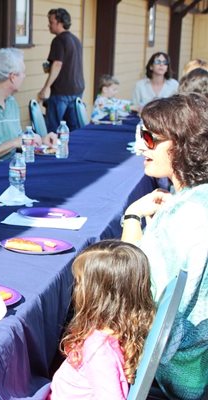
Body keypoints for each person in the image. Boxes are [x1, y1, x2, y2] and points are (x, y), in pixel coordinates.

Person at [122, 93, 208, 399]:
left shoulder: (185, 216)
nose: (141, 145)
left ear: (184, 144)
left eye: (150, 137)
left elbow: (131, 289)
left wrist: (132, 217)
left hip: (176, 372)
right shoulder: (196, 200)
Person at [50, 240, 155, 399]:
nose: (76, 288)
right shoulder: (125, 329)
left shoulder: (98, 350)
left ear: (97, 295)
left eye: (80, 282)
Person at [38, 8, 85, 132]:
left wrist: (46, 87)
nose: (49, 24)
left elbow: (58, 64)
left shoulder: (58, 40)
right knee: (74, 129)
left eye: (51, 21)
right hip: (77, 89)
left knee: (53, 128)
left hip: (61, 91)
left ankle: (52, 151)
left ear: (59, 22)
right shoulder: (76, 40)